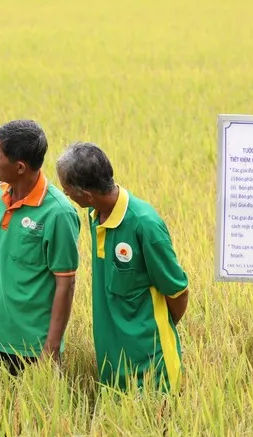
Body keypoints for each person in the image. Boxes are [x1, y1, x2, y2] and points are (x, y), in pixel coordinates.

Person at [55, 142, 189, 393]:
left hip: (151, 366)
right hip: (111, 362)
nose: (65, 194)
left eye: (67, 190)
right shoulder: (95, 215)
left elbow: (178, 292)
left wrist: (146, 331)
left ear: (87, 195)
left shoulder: (144, 224)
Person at [0, 120, 81, 390]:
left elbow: (66, 283)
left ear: (20, 167)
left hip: (32, 347)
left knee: (30, 414)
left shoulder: (58, 213)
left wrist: (51, 349)